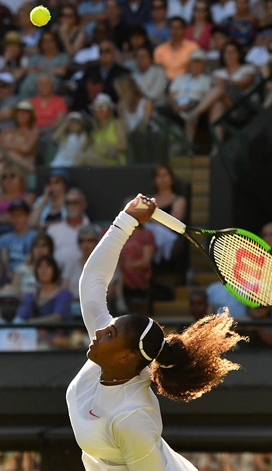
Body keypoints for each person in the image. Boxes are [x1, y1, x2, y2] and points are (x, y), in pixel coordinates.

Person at [67, 195, 245, 469]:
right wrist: (126, 220)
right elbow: (92, 283)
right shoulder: (106, 350)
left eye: (111, 333)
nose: (100, 331)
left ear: (126, 357)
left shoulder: (132, 418)